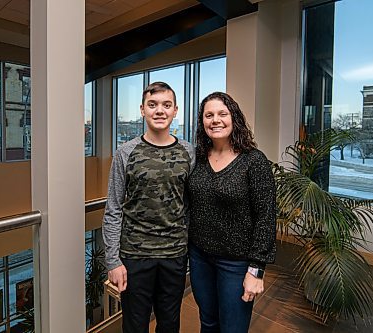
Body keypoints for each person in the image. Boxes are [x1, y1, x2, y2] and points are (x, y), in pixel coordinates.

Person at [102, 81, 195, 333]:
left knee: (169, 324)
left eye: (166, 105)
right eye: (152, 105)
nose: (159, 111)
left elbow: (190, 205)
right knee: (134, 326)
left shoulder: (188, 152)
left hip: (174, 255)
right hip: (134, 256)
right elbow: (113, 209)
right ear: (142, 110)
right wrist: (113, 261)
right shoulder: (125, 152)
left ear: (176, 110)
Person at [188, 91, 276, 333]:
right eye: (209, 115)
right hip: (199, 257)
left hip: (236, 263)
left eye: (222, 114)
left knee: (232, 329)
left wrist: (256, 270)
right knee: (207, 322)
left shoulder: (253, 161)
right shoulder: (197, 158)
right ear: (202, 122)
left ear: (234, 118)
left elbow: (266, 218)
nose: (215, 120)